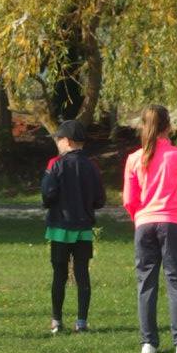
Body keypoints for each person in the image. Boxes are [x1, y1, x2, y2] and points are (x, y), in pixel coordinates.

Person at [123, 104, 177, 353]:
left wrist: (139, 218)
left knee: (146, 283)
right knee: (175, 282)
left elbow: (129, 199)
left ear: (143, 126)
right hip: (171, 221)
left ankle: (148, 343)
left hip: (144, 223)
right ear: (168, 126)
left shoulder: (134, 158)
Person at [41, 119, 106, 335]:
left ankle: (56, 320)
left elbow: (47, 194)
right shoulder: (92, 166)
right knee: (82, 275)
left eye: (58, 140)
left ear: (67, 141)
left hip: (60, 227)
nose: (57, 143)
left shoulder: (56, 164)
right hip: (84, 229)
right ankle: (81, 321)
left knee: (59, 275)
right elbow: (100, 199)